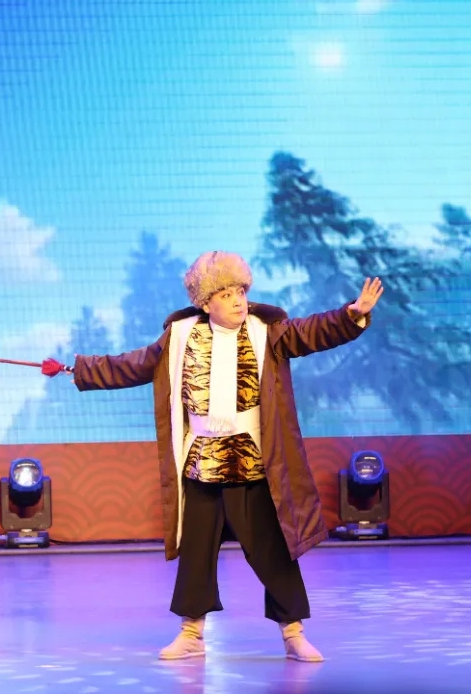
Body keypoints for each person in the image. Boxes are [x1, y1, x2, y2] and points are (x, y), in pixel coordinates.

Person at [67, 251, 382, 661]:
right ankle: (191, 634)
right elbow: (132, 365)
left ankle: (293, 633)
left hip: (252, 462)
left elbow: (312, 332)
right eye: (227, 294)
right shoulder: (180, 337)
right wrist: (77, 370)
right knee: (196, 553)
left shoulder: (268, 332)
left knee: (272, 550)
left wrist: (351, 315)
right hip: (202, 464)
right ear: (205, 302)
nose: (238, 301)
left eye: (241, 292)